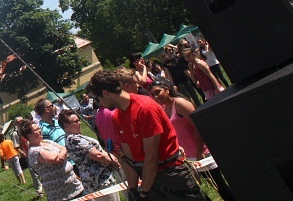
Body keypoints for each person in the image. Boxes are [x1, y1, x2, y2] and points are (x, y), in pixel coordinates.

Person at [88, 70, 206, 201]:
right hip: (150, 179)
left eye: (98, 99)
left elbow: (151, 156)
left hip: (172, 174)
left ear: (106, 93)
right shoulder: (118, 116)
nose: (100, 104)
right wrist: (132, 190)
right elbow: (128, 158)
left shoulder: (144, 108)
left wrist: (144, 193)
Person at [148, 79, 236, 201]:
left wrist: (200, 151)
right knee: (197, 191)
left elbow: (198, 126)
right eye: (153, 94)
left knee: (219, 185)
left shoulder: (180, 104)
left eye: (158, 92)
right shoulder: (163, 109)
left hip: (201, 153)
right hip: (186, 158)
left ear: (167, 90)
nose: (156, 96)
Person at [58, 109, 120, 201]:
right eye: (76, 121)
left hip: (101, 179)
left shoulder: (75, 137)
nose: (79, 123)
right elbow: (98, 155)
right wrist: (113, 160)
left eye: (79, 120)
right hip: (100, 181)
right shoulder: (73, 140)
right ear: (66, 125)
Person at [20, 119, 84, 201]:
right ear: (29, 136)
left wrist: (62, 152)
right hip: (61, 195)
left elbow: (63, 148)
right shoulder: (34, 151)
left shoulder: (46, 142)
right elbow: (58, 159)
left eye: (39, 128)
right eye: (36, 130)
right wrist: (62, 153)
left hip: (76, 186)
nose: (40, 130)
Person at [12, 117, 44, 198]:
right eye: (18, 122)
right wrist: (23, 153)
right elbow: (16, 147)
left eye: (21, 121)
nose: (20, 123)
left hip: (38, 150)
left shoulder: (29, 129)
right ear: (16, 124)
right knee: (34, 173)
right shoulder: (16, 134)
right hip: (28, 155)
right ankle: (39, 191)